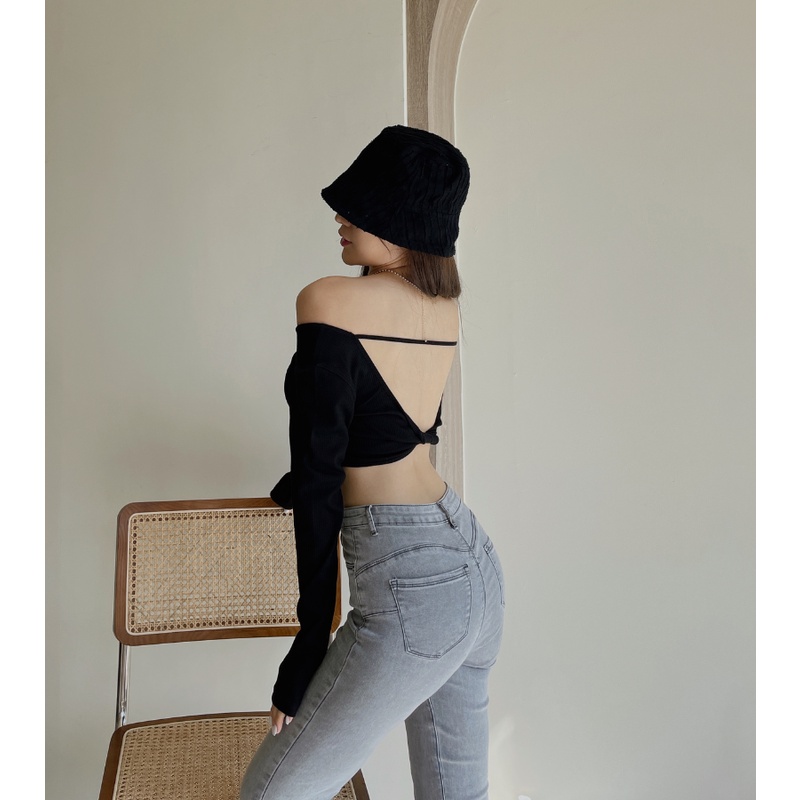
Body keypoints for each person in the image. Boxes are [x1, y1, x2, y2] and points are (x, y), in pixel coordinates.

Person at [240, 125, 506, 800]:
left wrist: (307, 646)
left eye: (358, 206)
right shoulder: (443, 307)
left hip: (410, 578)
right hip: (470, 562)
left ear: (402, 221)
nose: (340, 215)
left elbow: (323, 480)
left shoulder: (329, 300)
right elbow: (387, 429)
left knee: (272, 793)